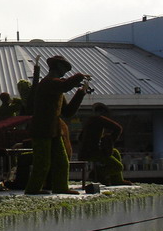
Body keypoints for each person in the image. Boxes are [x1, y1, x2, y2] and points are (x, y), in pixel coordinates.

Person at [25, 55, 88, 195]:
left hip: (54, 130)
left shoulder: (56, 87)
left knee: (62, 161)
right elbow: (64, 86)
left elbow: (67, 112)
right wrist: (79, 76)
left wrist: (80, 93)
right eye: (65, 68)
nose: (65, 72)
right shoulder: (47, 83)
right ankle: (33, 189)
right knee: (42, 162)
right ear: (57, 66)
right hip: (42, 129)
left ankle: (60, 187)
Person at [78, 102, 130, 185]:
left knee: (115, 152)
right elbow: (118, 128)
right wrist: (110, 141)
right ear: (103, 113)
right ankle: (98, 174)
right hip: (92, 152)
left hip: (85, 152)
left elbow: (80, 138)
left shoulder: (89, 120)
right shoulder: (99, 119)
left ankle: (117, 180)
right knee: (118, 167)